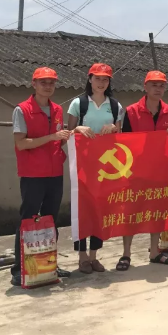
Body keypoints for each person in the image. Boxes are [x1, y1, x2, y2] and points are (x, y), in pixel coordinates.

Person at [10, 67, 72, 286]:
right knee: (28, 219)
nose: (48, 86)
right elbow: (21, 142)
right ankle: (19, 269)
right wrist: (52, 137)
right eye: (43, 82)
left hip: (54, 172)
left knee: (50, 220)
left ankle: (49, 264)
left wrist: (71, 136)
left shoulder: (56, 110)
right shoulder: (22, 110)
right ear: (34, 84)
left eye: (51, 83)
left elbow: (58, 140)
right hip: (32, 173)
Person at [116, 71, 168, 271]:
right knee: (131, 212)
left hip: (161, 170)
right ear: (145, 87)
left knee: (158, 211)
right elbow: (123, 141)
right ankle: (126, 254)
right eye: (154, 85)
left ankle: (154, 252)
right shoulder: (131, 111)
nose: (158, 89)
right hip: (135, 171)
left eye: (161, 85)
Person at [67, 63, 124, 274]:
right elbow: (68, 131)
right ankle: (82, 257)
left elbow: (121, 136)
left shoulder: (116, 106)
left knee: (101, 210)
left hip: (106, 167)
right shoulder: (78, 104)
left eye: (105, 79)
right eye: (97, 78)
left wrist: (114, 129)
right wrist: (77, 128)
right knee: (83, 210)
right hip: (82, 165)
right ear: (90, 79)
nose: (101, 83)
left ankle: (94, 256)